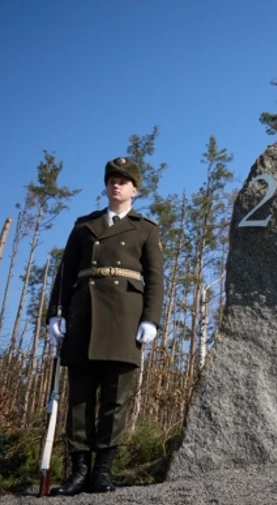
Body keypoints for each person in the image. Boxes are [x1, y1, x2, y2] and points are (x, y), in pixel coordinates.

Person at [45, 157, 164, 495]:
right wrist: (56, 313)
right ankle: (79, 472)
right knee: (80, 399)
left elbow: (155, 279)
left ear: (135, 190)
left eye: (124, 181)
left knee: (115, 399)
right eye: (112, 179)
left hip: (125, 318)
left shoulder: (145, 228)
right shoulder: (84, 226)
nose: (117, 184)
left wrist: (151, 319)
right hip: (84, 316)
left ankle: (103, 473)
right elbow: (65, 272)